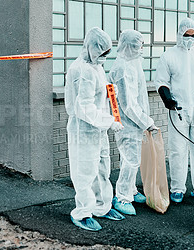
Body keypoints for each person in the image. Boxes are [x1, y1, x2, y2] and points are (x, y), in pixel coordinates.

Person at [65, 27, 126, 231]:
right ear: (92, 48)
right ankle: (82, 213)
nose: (105, 58)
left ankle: (102, 206)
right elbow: (84, 108)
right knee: (85, 171)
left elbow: (97, 92)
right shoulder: (81, 70)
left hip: (98, 129)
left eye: (107, 53)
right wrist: (109, 121)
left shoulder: (95, 66)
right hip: (83, 129)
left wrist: (109, 90)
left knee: (102, 168)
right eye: (102, 53)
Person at [154, 17, 194, 204]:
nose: (190, 38)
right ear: (179, 34)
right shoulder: (169, 56)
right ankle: (177, 189)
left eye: (193, 35)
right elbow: (161, 81)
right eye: (186, 35)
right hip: (179, 111)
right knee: (177, 151)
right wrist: (167, 98)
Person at [108, 30, 158, 215]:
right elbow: (128, 104)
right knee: (130, 160)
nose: (141, 49)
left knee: (131, 159)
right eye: (138, 45)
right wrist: (147, 122)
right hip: (127, 123)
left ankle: (131, 190)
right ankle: (121, 197)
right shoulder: (121, 68)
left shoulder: (132, 63)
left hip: (134, 122)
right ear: (128, 46)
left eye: (142, 45)